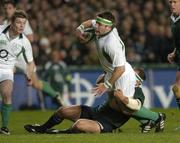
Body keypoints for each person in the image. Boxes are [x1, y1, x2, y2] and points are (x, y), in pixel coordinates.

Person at [23, 68, 165, 134]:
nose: (128, 76)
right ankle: (41, 129)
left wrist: (124, 98)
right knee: (63, 110)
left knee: (79, 125)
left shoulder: (137, 92)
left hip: (107, 123)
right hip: (96, 111)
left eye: (132, 76)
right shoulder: (119, 81)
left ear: (138, 82)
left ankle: (55, 133)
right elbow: (98, 82)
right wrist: (106, 76)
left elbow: (136, 106)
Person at [2, 0, 62, 104]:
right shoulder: (4, 23)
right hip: (8, 57)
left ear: (15, 9)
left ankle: (56, 95)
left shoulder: (21, 21)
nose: (7, 11)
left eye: (10, 8)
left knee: (35, 84)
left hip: (21, 58)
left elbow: (31, 37)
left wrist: (18, 43)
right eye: (6, 8)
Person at [0, 9, 34, 135]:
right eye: (19, 22)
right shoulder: (0, 30)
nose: (21, 25)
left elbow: (30, 63)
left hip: (7, 70)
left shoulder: (24, 42)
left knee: (7, 94)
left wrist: (28, 75)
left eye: (23, 23)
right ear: (11, 22)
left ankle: (4, 127)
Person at [167, 0, 180, 109]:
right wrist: (175, 52)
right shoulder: (173, 18)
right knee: (177, 88)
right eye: (170, 2)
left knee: (178, 87)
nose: (172, 5)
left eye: (175, 2)